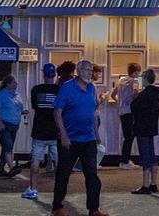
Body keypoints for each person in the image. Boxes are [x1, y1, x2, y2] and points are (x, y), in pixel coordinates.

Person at [53, 59, 107, 216]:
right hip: (70, 139)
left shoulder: (91, 88)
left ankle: (94, 209)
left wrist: (96, 133)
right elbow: (57, 112)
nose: (89, 73)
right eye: (86, 70)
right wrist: (63, 134)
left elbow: (93, 112)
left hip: (88, 139)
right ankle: (57, 207)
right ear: (78, 71)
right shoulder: (67, 88)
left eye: (91, 70)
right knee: (63, 174)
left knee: (92, 175)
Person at [25, 62, 64, 200]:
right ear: (54, 75)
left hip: (39, 131)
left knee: (35, 161)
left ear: (44, 75)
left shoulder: (36, 90)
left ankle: (33, 189)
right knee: (58, 162)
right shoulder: (60, 90)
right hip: (55, 131)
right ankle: (59, 190)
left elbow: (35, 107)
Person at [130, 68, 159, 196]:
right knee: (152, 154)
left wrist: (135, 94)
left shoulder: (142, 95)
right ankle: (153, 183)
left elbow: (134, 108)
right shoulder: (157, 93)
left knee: (145, 156)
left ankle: (145, 185)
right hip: (152, 127)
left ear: (144, 79)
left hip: (142, 128)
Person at [0, 74, 25, 178]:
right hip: (4, 123)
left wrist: (22, 111)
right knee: (8, 145)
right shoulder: (1, 95)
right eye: (14, 82)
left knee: (6, 146)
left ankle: (1, 169)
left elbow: (18, 107)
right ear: (8, 84)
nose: (16, 84)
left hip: (14, 124)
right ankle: (12, 167)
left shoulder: (16, 95)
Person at [115, 61, 142, 170]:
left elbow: (113, 94)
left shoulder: (121, 80)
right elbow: (136, 91)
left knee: (127, 136)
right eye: (138, 72)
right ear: (135, 72)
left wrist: (119, 102)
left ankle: (125, 159)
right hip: (131, 111)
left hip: (122, 111)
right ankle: (125, 161)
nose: (139, 74)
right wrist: (135, 101)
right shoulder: (135, 80)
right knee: (129, 137)